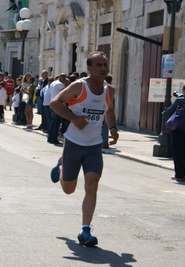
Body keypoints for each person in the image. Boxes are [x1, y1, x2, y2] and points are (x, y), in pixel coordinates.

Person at [49, 52, 119, 246]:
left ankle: (85, 230)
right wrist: (74, 118)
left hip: (94, 146)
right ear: (89, 68)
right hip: (73, 142)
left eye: (105, 64)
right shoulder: (79, 86)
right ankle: (62, 166)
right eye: (98, 65)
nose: (103, 68)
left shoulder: (109, 90)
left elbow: (110, 111)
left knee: (92, 185)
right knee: (69, 190)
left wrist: (112, 128)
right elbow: (55, 103)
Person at [48, 74, 67, 144]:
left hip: (52, 103)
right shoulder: (60, 85)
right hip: (58, 105)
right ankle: (54, 138)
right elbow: (64, 94)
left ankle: (50, 137)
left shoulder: (53, 83)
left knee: (53, 121)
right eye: (64, 78)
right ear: (62, 78)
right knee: (57, 122)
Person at [101, 74, 113, 148]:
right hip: (107, 108)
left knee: (104, 126)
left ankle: (104, 142)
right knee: (105, 126)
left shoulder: (105, 88)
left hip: (103, 108)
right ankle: (104, 141)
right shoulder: (110, 88)